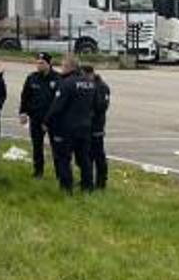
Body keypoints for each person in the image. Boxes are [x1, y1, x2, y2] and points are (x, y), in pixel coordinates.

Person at [45, 55, 98, 193]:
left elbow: (57, 107)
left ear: (69, 67)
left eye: (63, 66)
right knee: (84, 159)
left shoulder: (66, 83)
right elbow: (95, 105)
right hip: (85, 126)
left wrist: (46, 121)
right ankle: (88, 186)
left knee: (63, 158)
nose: (61, 69)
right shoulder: (90, 83)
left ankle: (66, 187)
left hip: (67, 128)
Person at [18, 52, 61, 179]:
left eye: (42, 63)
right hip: (36, 117)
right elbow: (25, 96)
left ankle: (60, 173)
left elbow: (61, 100)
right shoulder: (32, 78)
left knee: (57, 147)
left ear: (49, 63)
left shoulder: (58, 78)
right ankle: (38, 172)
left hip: (53, 120)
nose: (39, 65)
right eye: (37, 63)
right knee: (37, 146)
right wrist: (23, 112)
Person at [83, 64, 111, 189]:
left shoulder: (102, 87)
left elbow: (101, 107)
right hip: (86, 125)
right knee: (86, 155)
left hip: (96, 126)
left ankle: (101, 182)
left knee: (98, 155)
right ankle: (87, 180)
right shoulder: (87, 85)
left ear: (89, 74)